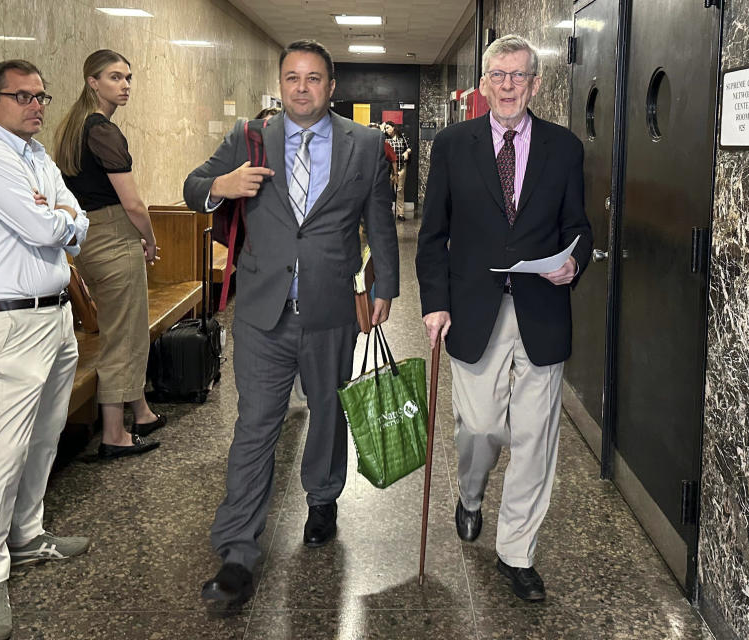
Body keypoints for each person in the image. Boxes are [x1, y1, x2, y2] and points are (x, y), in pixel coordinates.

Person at [184, 39, 399, 604]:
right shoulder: (249, 139)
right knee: (256, 423)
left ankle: (323, 497)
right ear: (280, 85)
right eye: (291, 78)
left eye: (313, 78)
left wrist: (385, 287)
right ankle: (237, 549)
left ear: (331, 86)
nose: (301, 88)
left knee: (329, 409)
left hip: (332, 306)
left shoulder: (366, 144)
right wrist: (221, 187)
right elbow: (192, 188)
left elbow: (380, 222)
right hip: (261, 309)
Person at [416, 35, 593, 603]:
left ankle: (517, 552)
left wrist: (573, 263)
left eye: (520, 75)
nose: (509, 85)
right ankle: (471, 493)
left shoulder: (564, 149)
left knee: (536, 439)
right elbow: (432, 234)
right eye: (499, 75)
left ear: (536, 84)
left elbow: (580, 229)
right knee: (482, 428)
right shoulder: (451, 145)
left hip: (541, 309)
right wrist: (434, 301)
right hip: (473, 308)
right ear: (484, 83)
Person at [0, 59, 92, 640]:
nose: (36, 105)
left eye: (41, 96)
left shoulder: (37, 158)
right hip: (9, 324)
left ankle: (28, 535)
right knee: (4, 449)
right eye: (22, 96)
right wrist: (57, 217)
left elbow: (77, 220)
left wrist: (59, 215)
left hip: (56, 316)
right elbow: (44, 229)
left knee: (46, 432)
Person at [53, 49, 163, 460]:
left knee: (126, 327)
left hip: (89, 238)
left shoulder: (73, 126)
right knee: (124, 335)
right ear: (92, 82)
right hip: (114, 234)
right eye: (115, 77)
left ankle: (141, 411)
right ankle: (115, 433)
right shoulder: (103, 130)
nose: (125, 85)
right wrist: (149, 239)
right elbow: (133, 204)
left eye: (128, 78)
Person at [384, 121, 411, 220]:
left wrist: (407, 152)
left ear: (393, 128)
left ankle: (400, 213)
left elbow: (408, 148)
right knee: (387, 190)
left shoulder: (401, 137)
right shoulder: (385, 139)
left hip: (401, 166)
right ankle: (387, 211)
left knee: (400, 190)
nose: (386, 130)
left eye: (388, 128)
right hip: (389, 169)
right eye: (385, 128)